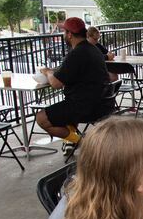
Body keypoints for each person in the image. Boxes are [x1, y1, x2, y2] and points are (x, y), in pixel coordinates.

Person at [35, 17, 110, 157]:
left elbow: (56, 84)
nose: (64, 35)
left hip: (84, 106)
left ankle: (83, 143)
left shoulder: (77, 53)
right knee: (63, 111)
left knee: (41, 118)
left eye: (64, 32)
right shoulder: (93, 50)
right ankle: (72, 140)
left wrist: (48, 72)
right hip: (102, 102)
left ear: (69, 34)